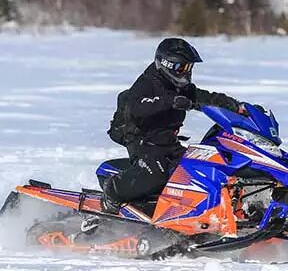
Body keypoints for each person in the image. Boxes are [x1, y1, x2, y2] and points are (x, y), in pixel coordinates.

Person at [101, 37, 243, 213]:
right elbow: (138, 107)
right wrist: (170, 101)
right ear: (167, 65)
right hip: (143, 141)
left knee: (198, 169)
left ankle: (199, 213)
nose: (186, 72)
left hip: (168, 141)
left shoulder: (181, 87)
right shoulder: (147, 83)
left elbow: (204, 97)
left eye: (189, 68)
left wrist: (234, 106)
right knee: (155, 175)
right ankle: (113, 192)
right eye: (181, 67)